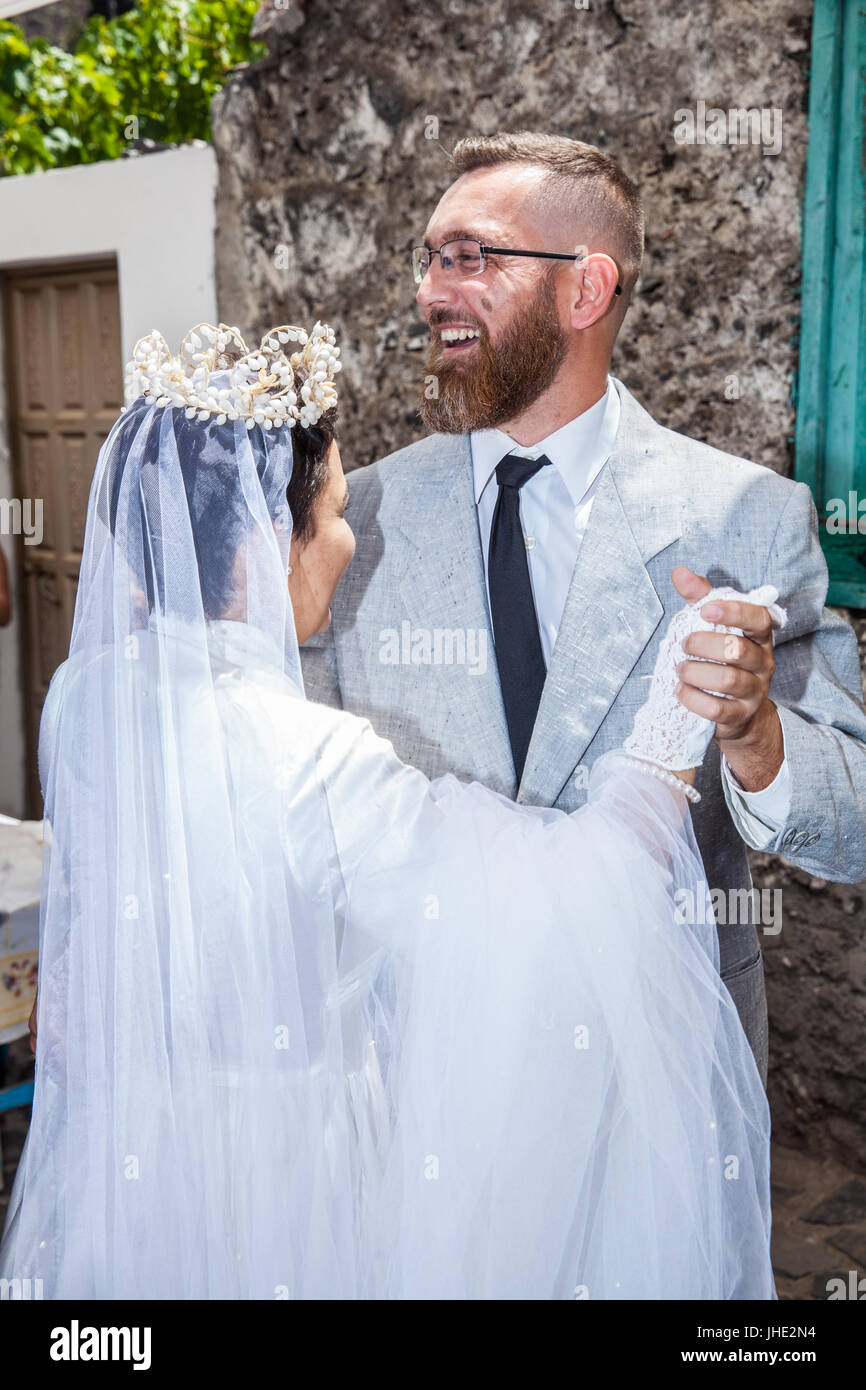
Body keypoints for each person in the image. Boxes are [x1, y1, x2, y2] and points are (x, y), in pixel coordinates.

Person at [1, 321, 777, 1300]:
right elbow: (560, 900)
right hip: (292, 1185)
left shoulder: (86, 693)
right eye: (328, 512)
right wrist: (676, 705)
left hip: (132, 1167)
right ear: (254, 543)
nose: (348, 534)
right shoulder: (309, 763)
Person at [301, 133, 866, 1089]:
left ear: (586, 289)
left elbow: (852, 821)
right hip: (419, 1070)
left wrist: (758, 732)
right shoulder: (357, 522)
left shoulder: (748, 518)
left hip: (655, 1088)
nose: (431, 291)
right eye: (428, 258)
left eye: (470, 256)